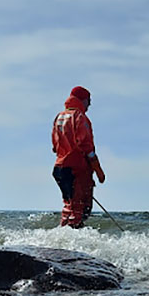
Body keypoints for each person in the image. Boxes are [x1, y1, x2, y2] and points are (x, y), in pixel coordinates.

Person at [51, 86, 106, 228]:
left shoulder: (59, 117)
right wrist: (98, 170)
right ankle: (72, 242)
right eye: (89, 100)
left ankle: (62, 237)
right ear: (83, 100)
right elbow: (87, 146)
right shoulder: (80, 117)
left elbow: (54, 147)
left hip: (60, 168)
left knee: (69, 206)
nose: (90, 104)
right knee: (80, 209)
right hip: (77, 169)